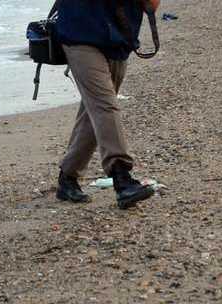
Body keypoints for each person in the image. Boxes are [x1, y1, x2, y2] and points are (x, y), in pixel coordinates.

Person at [52, 0, 160, 209]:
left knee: (95, 110)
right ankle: (122, 179)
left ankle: (68, 177)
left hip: (118, 38)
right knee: (104, 106)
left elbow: (152, 5)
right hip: (80, 33)